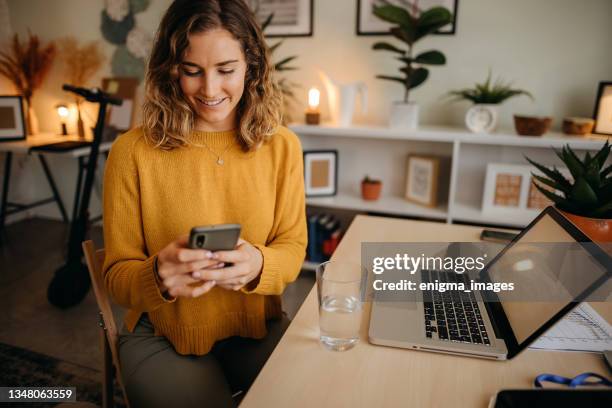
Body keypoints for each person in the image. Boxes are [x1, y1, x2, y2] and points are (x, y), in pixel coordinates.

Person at [102, 0, 307, 406]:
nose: (210, 91)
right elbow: (117, 276)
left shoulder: (283, 146)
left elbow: (293, 248)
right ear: (170, 68)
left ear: (252, 65)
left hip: (255, 329)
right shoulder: (132, 152)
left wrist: (259, 264)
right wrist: (157, 275)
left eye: (226, 70)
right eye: (191, 71)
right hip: (160, 335)